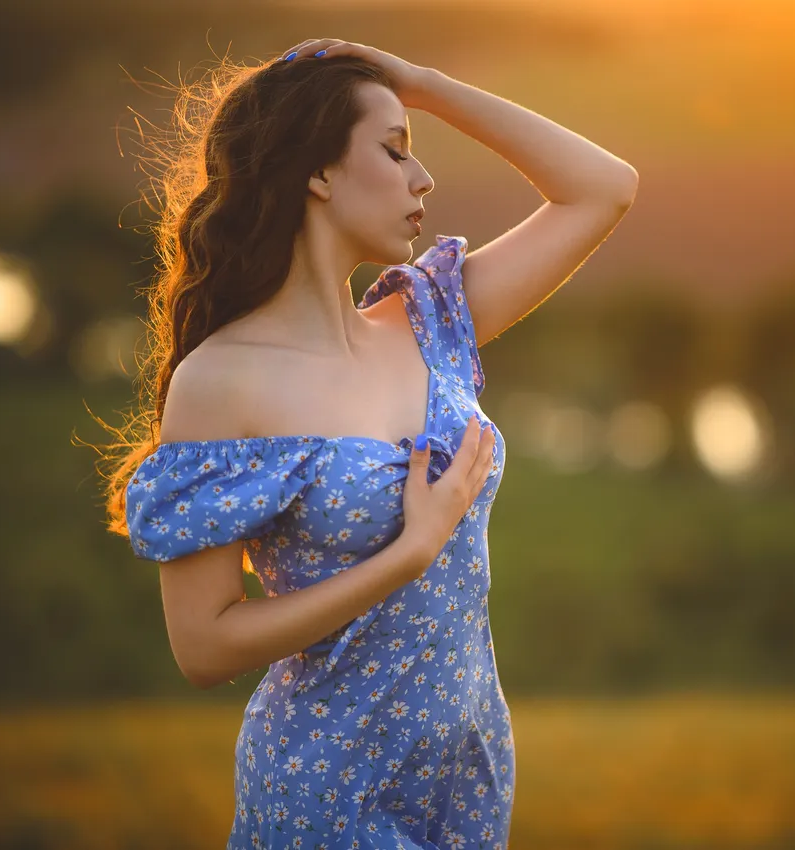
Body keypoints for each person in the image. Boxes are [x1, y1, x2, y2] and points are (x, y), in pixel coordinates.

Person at [100, 38, 637, 849]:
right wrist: (405, 556)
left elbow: (603, 189)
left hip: (466, 777)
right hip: (326, 793)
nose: (423, 179)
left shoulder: (430, 321)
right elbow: (204, 647)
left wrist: (422, 86)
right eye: (394, 151)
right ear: (317, 172)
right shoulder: (221, 380)